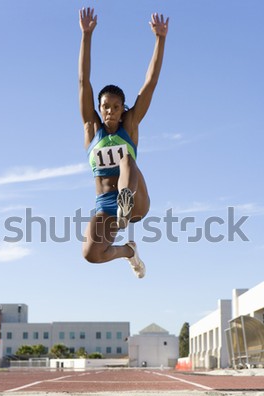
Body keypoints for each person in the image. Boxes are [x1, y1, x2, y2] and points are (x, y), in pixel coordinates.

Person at [78, 7, 169, 278]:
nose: (110, 112)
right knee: (90, 254)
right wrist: (86, 35)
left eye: (116, 107)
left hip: (135, 201)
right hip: (105, 204)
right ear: (100, 107)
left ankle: (124, 201)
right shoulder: (91, 127)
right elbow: (83, 81)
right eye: (106, 106)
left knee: (126, 159)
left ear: (123, 108)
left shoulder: (130, 124)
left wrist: (160, 39)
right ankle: (129, 251)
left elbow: (150, 83)